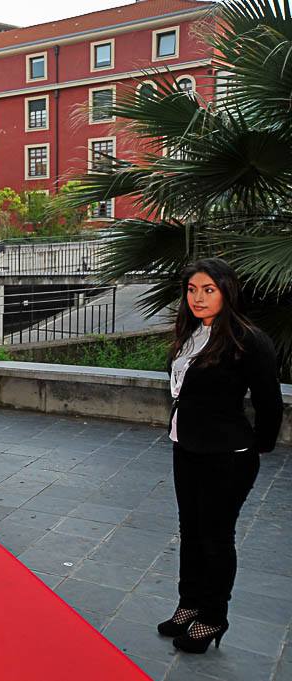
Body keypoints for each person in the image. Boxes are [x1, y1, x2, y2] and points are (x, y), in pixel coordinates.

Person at [157, 258, 283, 654]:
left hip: (227, 456)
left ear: (227, 291)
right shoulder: (190, 332)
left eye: (208, 290)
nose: (197, 298)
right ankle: (189, 604)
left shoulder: (249, 340)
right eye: (192, 290)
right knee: (191, 531)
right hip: (186, 448)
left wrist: (256, 446)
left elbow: (269, 403)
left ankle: (213, 617)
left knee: (216, 537)